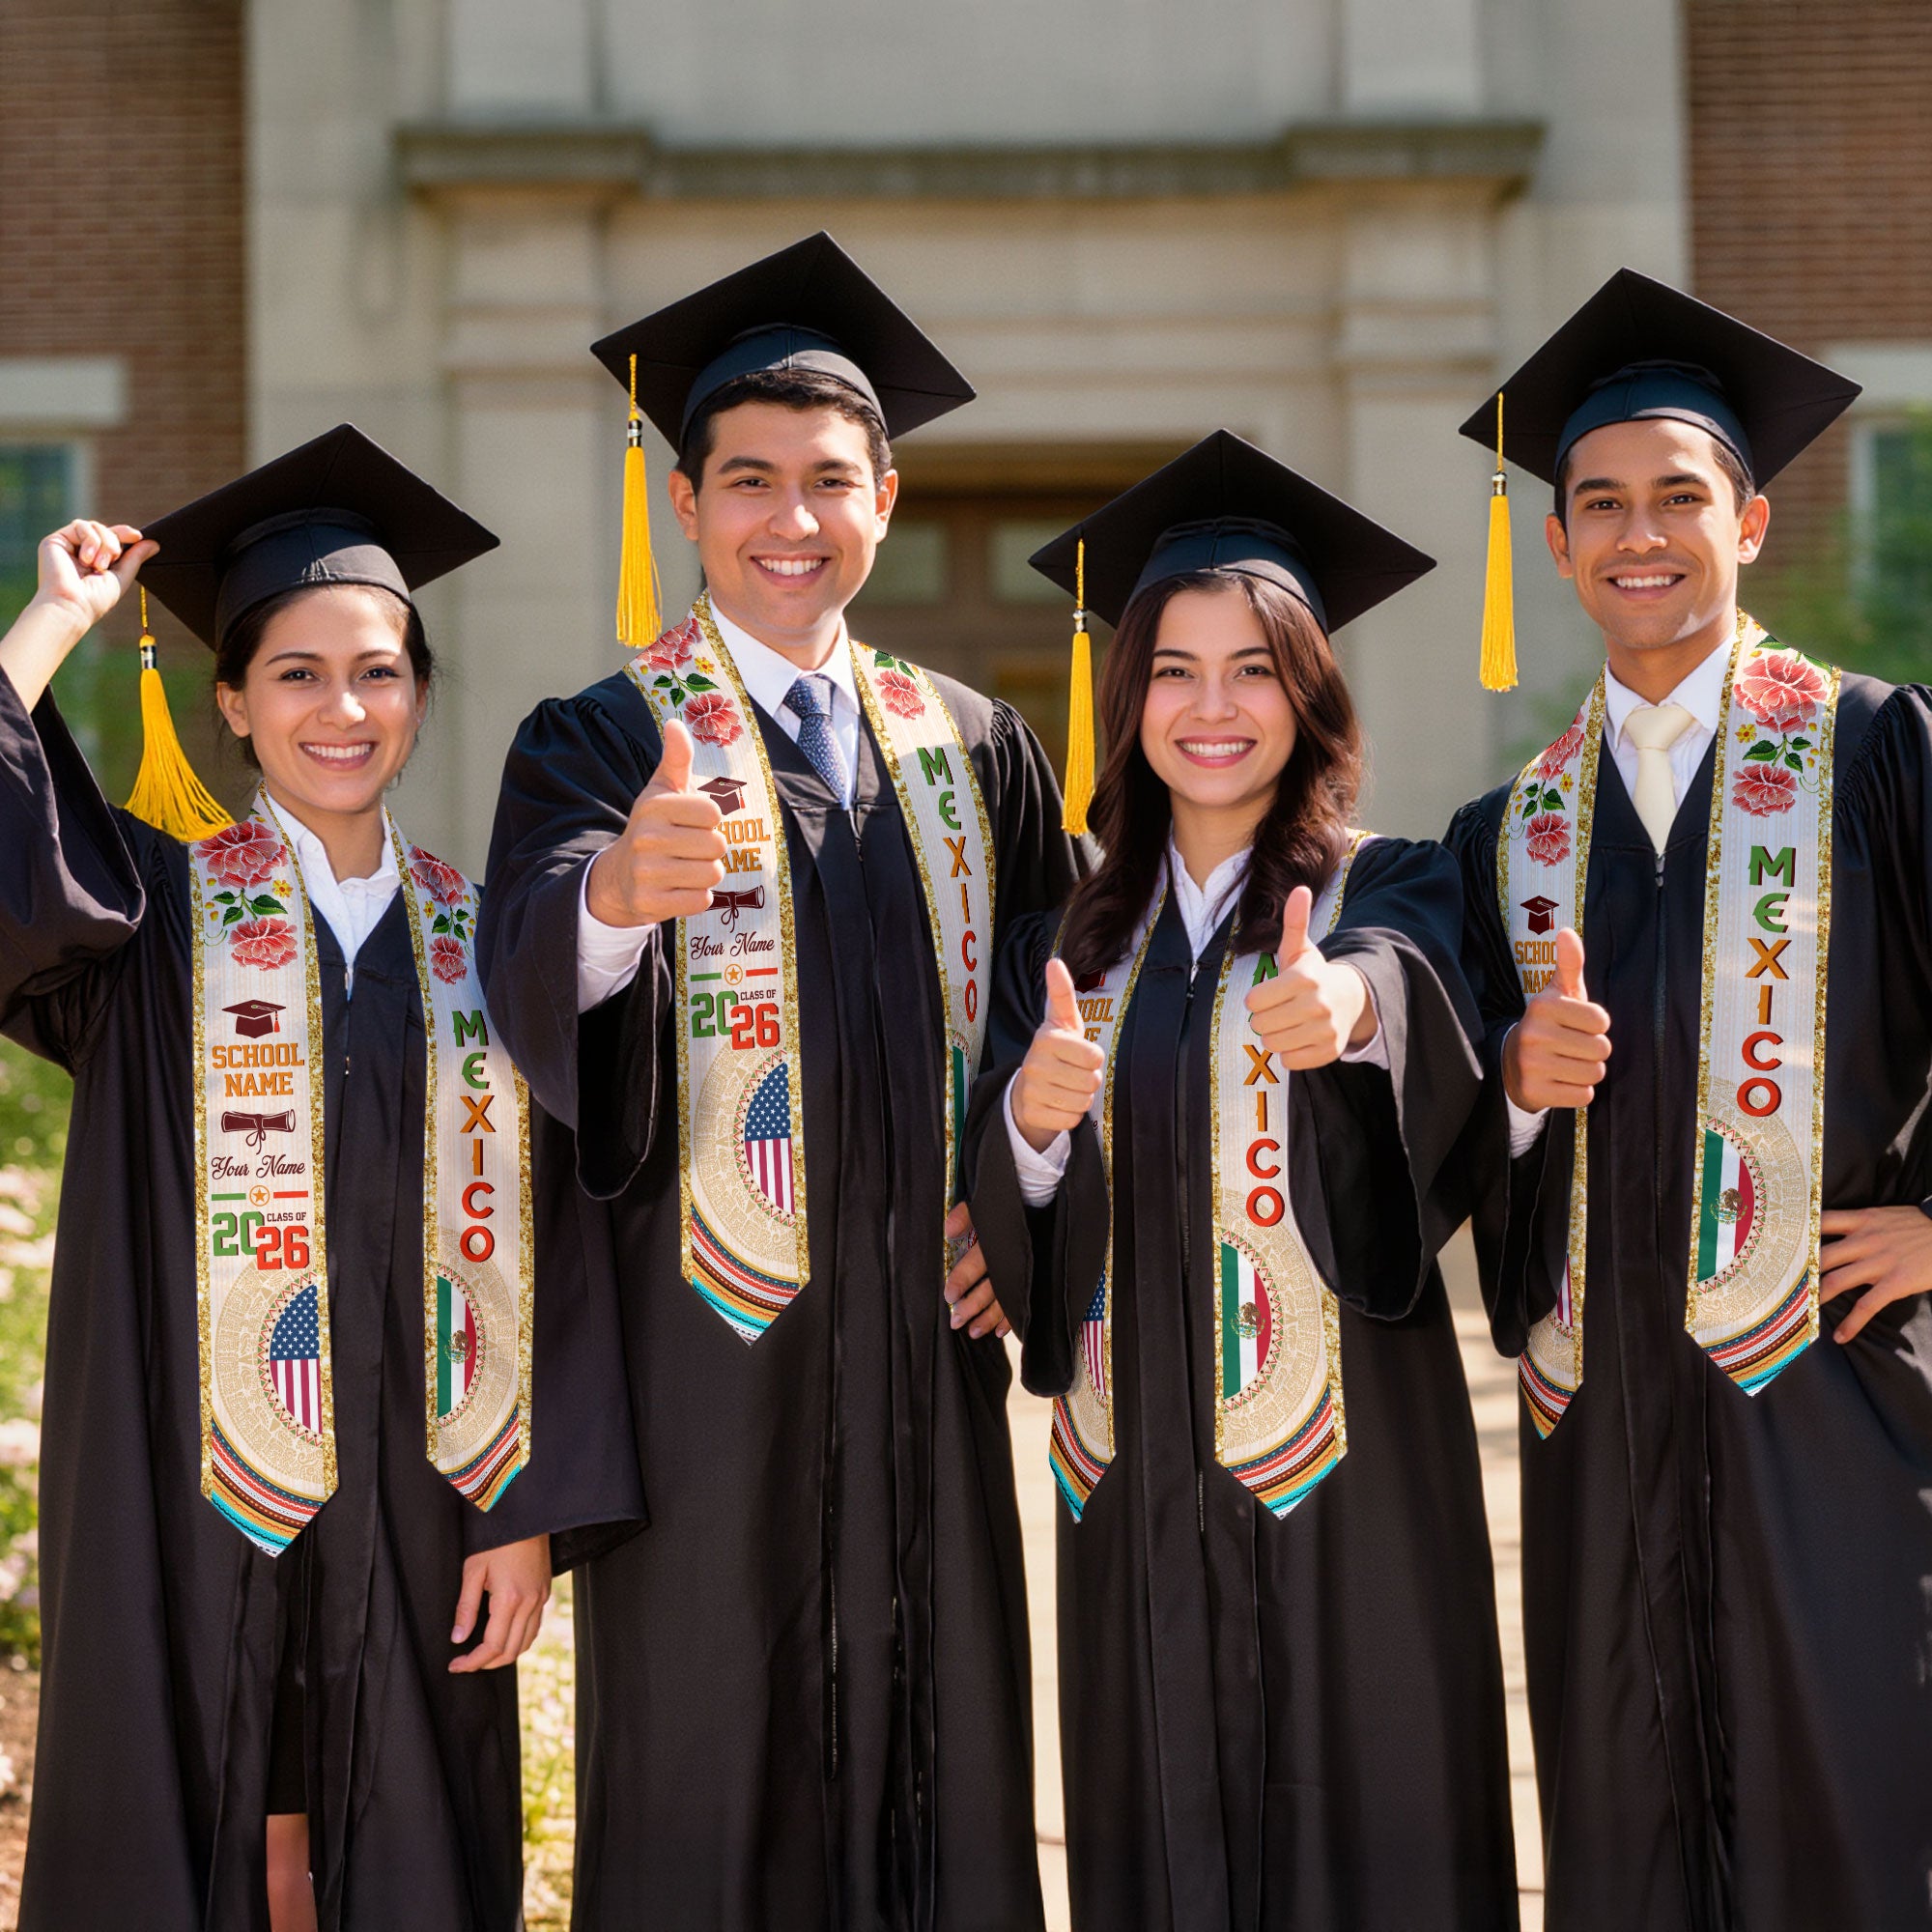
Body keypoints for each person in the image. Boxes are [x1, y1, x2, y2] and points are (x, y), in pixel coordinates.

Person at [478, 233, 1082, 1931]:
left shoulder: (975, 745)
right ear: (686, 503)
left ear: (886, 497)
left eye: (831, 481)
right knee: (709, 1773)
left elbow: (1071, 1010)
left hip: (925, 1354)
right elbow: (524, 975)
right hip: (707, 1368)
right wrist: (610, 899)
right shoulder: (598, 739)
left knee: (942, 1758)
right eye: (749, 481)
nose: (790, 519)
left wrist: (1021, 1197)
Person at [0, 425, 640, 1932]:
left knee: (408, 1833)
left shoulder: (490, 945)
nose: (340, 708)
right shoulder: (149, 919)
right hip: (183, 1481)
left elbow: (567, 1236)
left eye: (378, 671)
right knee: (194, 1806)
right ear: (230, 702)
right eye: (295, 673)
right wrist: (50, 625)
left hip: (430, 1494)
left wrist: (526, 1509)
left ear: (419, 695)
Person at [966, 431, 1518, 1931]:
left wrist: (1349, 1015)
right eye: (1175, 671)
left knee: (1374, 1832)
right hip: (1133, 1479)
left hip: (1354, 1481)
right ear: (1127, 696)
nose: (1214, 709)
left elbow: (1415, 992)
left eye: (1256, 669)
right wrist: (1027, 1116)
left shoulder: (1387, 884)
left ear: (1311, 693)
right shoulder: (1065, 945)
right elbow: (1010, 1198)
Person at [1446, 270, 1932, 1931]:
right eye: (1599, 504)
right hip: (1603, 1431)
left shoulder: (1875, 753)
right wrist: (1512, 1089)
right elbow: (1447, 1139)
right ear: (1561, 543)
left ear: (1753, 519)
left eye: (1678, 497)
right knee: (1625, 1823)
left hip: (1837, 1402)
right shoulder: (1508, 833)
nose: (1637, 534)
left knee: (1855, 1806)